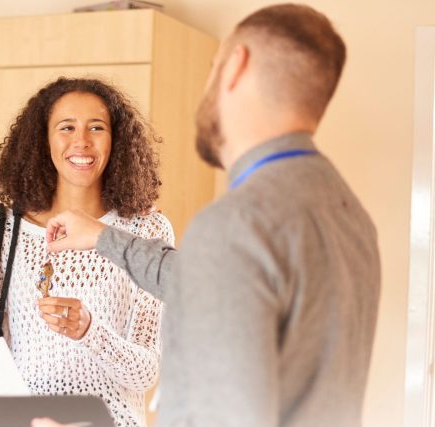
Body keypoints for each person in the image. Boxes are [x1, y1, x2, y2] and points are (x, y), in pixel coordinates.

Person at [42, 4, 381, 427]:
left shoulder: (235, 223)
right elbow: (213, 277)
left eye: (211, 68)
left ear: (235, 67)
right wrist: (103, 237)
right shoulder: (349, 215)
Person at [0, 77, 174, 427]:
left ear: (116, 140)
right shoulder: (1, 230)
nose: (81, 141)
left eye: (96, 127)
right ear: (43, 140)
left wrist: (89, 331)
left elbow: (145, 374)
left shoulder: (146, 230)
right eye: (66, 127)